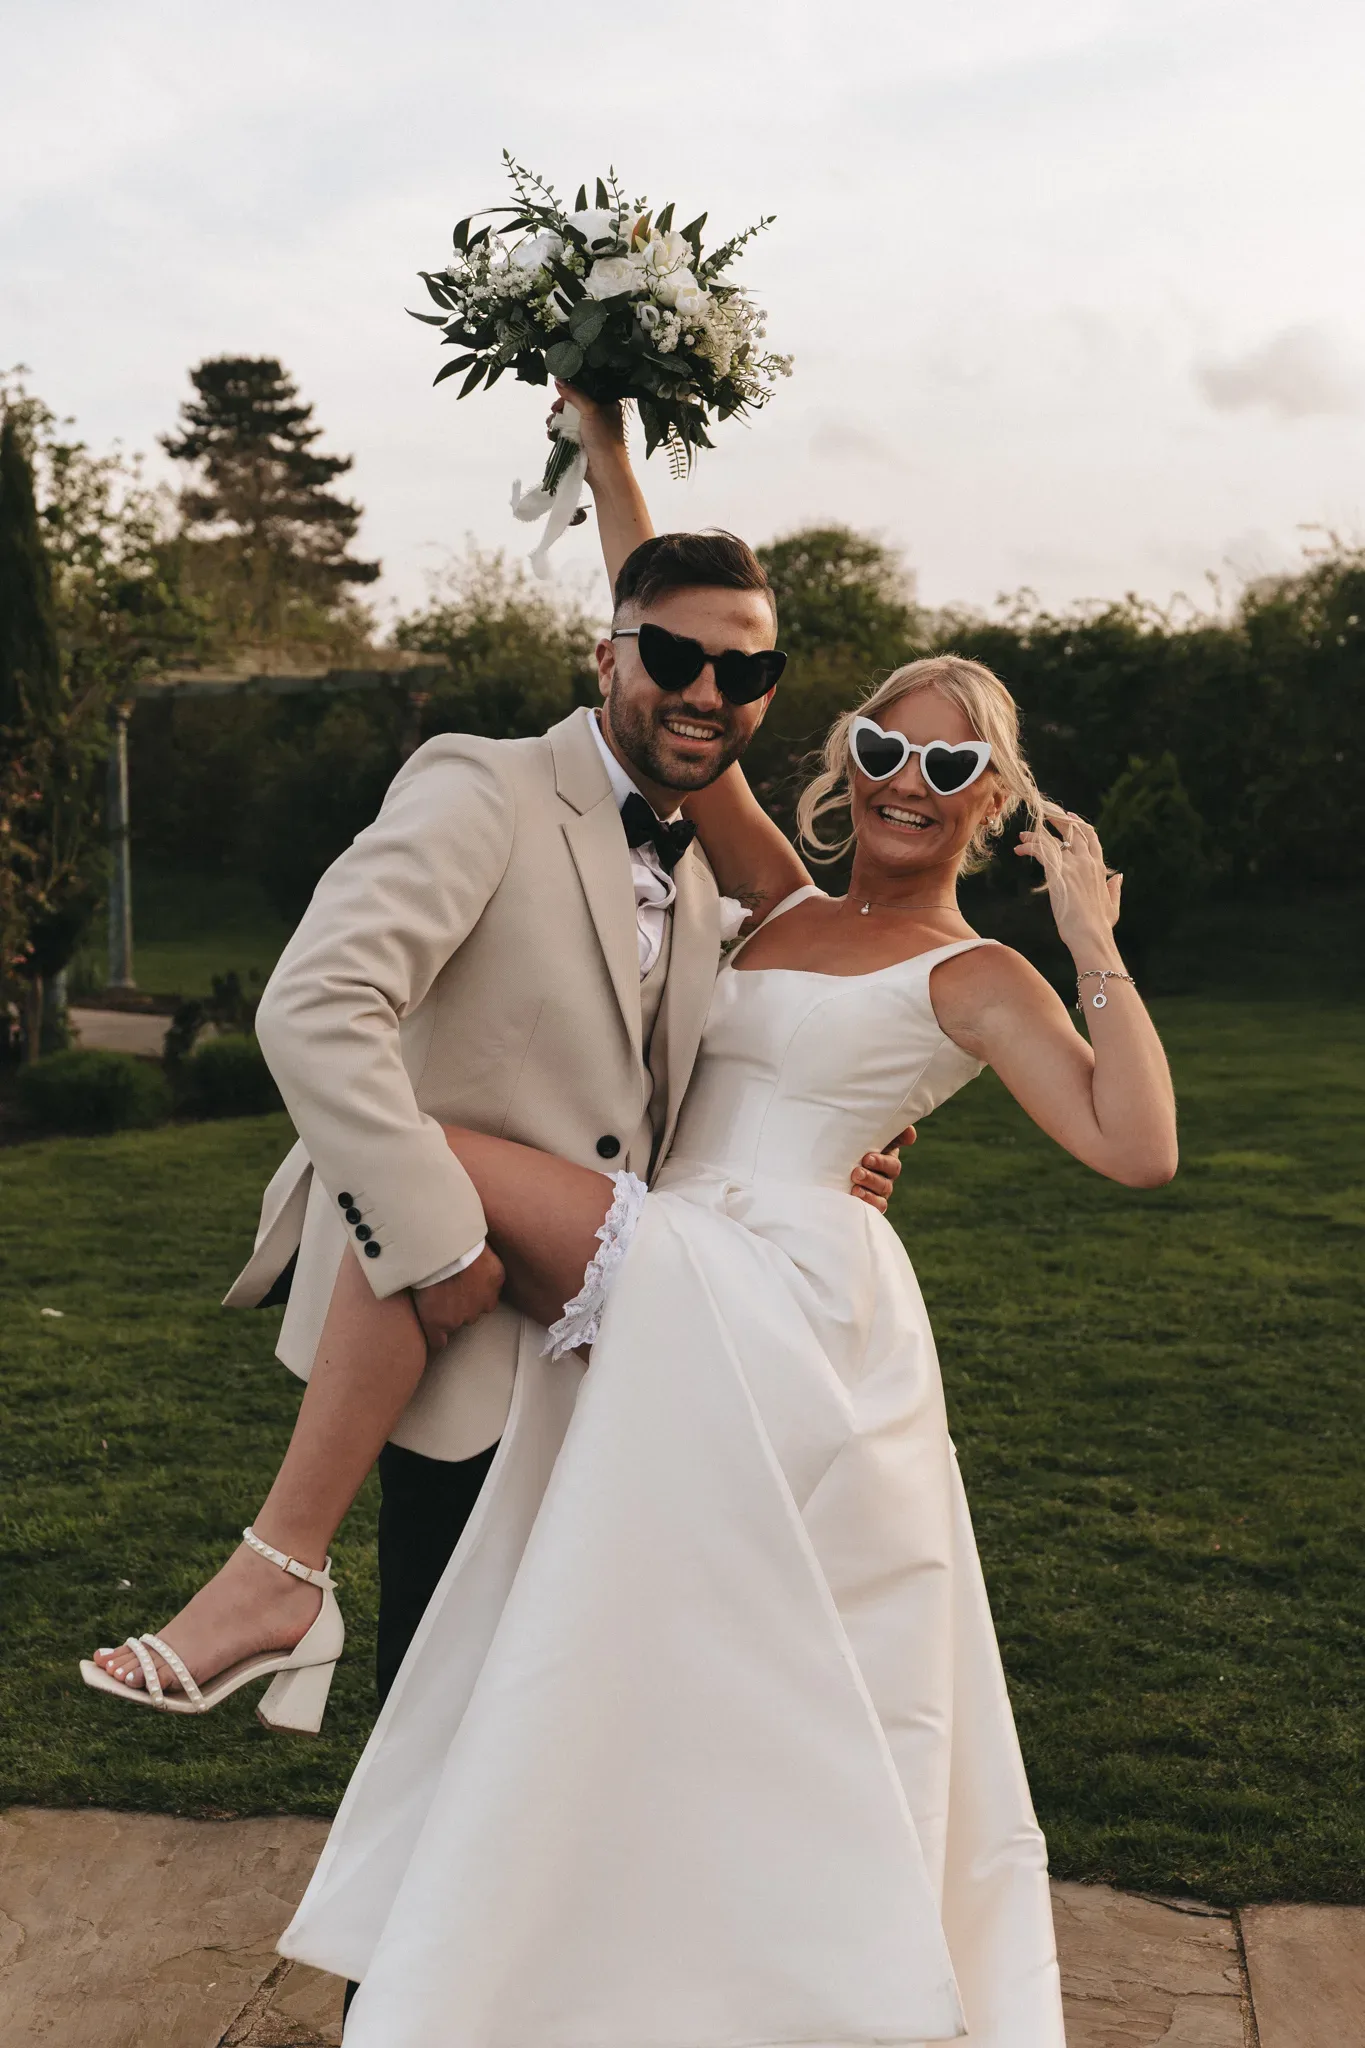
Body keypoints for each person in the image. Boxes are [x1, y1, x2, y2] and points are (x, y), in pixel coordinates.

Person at [80, 392, 904, 1718]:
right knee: (439, 1701)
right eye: (676, 657)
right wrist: (438, 1244)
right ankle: (286, 1596)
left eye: (743, 673)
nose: (706, 691)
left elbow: (673, 1100)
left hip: (609, 1352)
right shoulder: (484, 785)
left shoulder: (707, 889)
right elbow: (316, 1004)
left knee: (559, 1711)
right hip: (449, 1331)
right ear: (607, 657)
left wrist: (816, 1164)